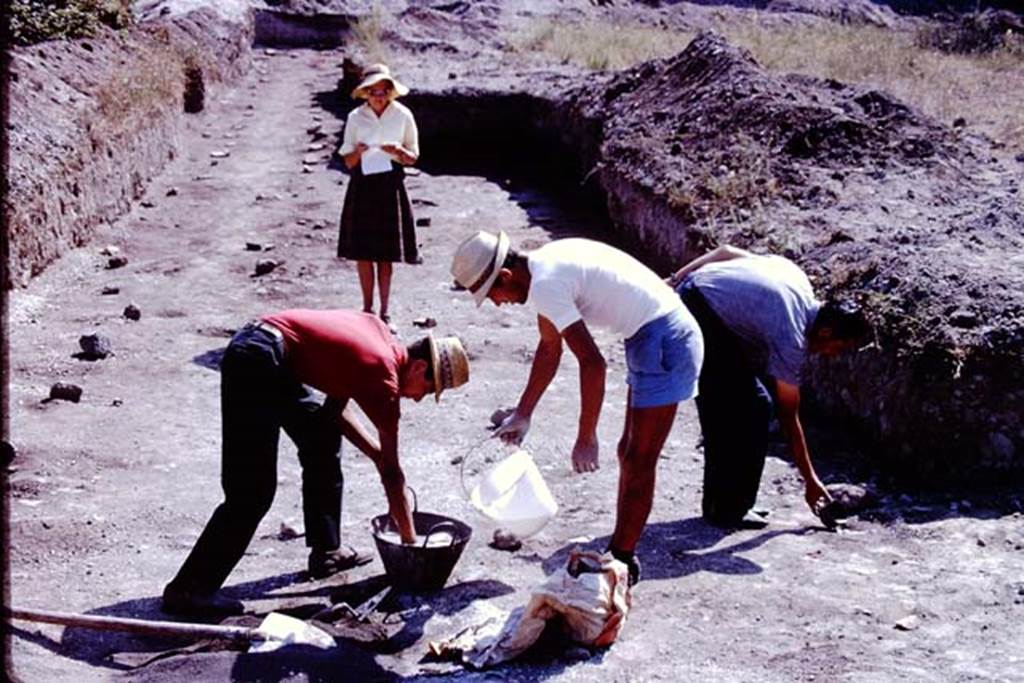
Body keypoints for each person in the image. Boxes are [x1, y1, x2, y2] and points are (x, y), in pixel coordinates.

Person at [162, 310, 469, 618]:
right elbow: (392, 474)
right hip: (257, 359)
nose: (419, 399)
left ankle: (327, 552)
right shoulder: (384, 377)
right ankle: (189, 590)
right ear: (419, 367)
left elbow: (334, 412)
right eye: (428, 390)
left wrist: (376, 455)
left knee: (321, 439)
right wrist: (410, 544)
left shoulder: (380, 336)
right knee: (252, 492)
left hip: (270, 353)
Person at [450, 231, 704, 585]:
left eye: (492, 295)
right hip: (648, 334)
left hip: (666, 337)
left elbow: (593, 363)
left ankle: (622, 561)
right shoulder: (543, 265)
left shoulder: (545, 284)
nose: (496, 303)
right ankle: (621, 548)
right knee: (628, 452)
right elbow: (549, 347)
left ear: (505, 277)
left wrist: (586, 436)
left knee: (639, 458)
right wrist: (523, 414)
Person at [667, 245, 872, 529]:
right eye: (839, 346)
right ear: (826, 331)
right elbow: (789, 416)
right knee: (745, 407)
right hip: (697, 311)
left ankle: (728, 504)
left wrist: (675, 279)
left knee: (742, 405)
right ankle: (726, 508)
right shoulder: (791, 335)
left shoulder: (797, 280)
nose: (834, 355)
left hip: (698, 296)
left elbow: (725, 251)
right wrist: (811, 481)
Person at [336, 64, 421, 333]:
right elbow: (348, 161)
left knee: (386, 253)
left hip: (390, 184)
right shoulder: (355, 117)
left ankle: (385, 312)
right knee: (363, 252)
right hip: (363, 184)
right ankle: (367, 310)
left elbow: (413, 157)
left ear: (391, 92)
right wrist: (358, 152)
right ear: (365, 93)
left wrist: (398, 151)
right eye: (373, 92)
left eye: (384, 92)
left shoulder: (403, 115)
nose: (379, 97)